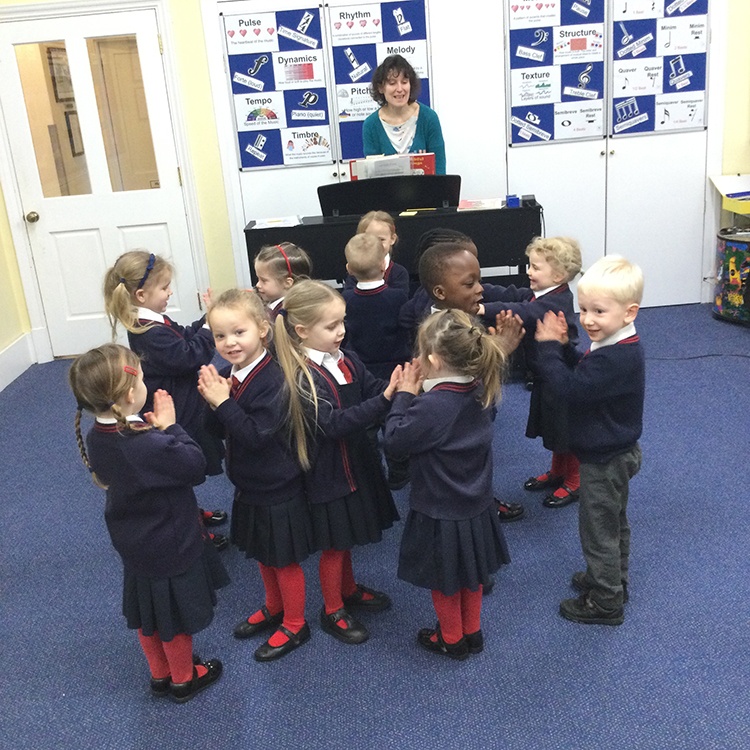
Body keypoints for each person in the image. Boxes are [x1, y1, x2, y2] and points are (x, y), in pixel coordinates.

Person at [68, 344, 227, 702]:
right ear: (129, 395)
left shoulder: (98, 435)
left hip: (134, 542)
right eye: (141, 378)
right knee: (174, 617)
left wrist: (153, 432)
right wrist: (171, 428)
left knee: (149, 613)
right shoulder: (145, 443)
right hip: (170, 541)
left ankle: (159, 674)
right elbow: (194, 465)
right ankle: (184, 678)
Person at [274, 280, 401, 645]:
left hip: (355, 461)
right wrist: (385, 400)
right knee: (334, 544)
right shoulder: (301, 376)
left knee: (347, 537)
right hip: (328, 473)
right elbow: (332, 424)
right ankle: (332, 610)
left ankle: (348, 589)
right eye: (331, 326)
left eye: (342, 321)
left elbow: (370, 386)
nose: (342, 330)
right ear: (302, 331)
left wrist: (397, 386)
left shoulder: (345, 357)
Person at [383, 310, 511, 659]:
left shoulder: (432, 406)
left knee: (444, 580)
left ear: (434, 360)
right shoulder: (480, 388)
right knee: (472, 574)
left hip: (439, 511)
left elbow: (394, 442)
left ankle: (451, 639)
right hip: (476, 505)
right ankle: (473, 632)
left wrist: (404, 395)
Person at [198, 289, 314, 661]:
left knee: (284, 559)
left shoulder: (273, 379)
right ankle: (274, 605)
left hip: (277, 485)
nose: (229, 343)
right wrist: (212, 402)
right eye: (220, 335)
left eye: (239, 332)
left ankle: (295, 623)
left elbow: (255, 436)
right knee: (264, 553)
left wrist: (223, 402)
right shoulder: (229, 374)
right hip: (249, 483)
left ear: (263, 330)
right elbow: (218, 430)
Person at [534, 255, 645, 625]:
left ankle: (606, 601)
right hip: (617, 450)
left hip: (604, 460)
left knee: (598, 531)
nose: (588, 320)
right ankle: (613, 580)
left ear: (629, 312)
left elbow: (571, 390)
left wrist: (549, 348)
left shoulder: (615, 357)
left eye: (599, 311)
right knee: (614, 522)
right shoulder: (616, 343)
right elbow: (586, 368)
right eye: (583, 310)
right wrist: (567, 348)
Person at [103, 250, 228, 549]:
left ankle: (193, 513)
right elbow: (190, 355)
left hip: (179, 401)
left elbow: (184, 334)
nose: (170, 292)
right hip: (176, 411)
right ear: (141, 295)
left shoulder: (153, 321)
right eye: (164, 287)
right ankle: (193, 528)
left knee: (182, 473)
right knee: (180, 469)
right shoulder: (149, 333)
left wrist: (208, 319)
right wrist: (210, 329)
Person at [417, 240, 526, 522]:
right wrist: (500, 349)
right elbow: (466, 374)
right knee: (461, 467)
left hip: (472, 413)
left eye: (479, 280)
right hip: (455, 418)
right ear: (440, 292)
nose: (480, 289)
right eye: (469, 284)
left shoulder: (462, 319)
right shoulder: (440, 333)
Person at [479, 237, 583, 509]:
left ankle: (575, 480)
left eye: (536, 267)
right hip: (544, 376)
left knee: (566, 429)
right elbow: (512, 294)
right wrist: (481, 288)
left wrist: (481, 308)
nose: (529, 271)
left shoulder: (555, 302)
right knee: (554, 428)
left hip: (561, 376)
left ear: (558, 276)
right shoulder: (541, 293)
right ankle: (558, 471)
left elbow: (523, 310)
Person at [362, 54, 446, 175]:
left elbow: (440, 171)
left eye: (404, 82)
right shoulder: (370, 125)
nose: (400, 89)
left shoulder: (429, 118)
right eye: (392, 83)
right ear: (380, 88)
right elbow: (371, 176)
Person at [342, 233, 410, 380]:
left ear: (349, 269)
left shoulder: (345, 300)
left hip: (359, 369)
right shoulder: (398, 297)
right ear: (383, 265)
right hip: (397, 369)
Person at [343, 211, 409, 295]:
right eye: (369, 239)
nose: (376, 244)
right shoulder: (356, 271)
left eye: (381, 239)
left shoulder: (399, 273)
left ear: (392, 239)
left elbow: (401, 298)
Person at [254, 242, 313, 319]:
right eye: (258, 279)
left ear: (287, 283)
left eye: (264, 280)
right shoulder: (270, 304)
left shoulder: (287, 314)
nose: (258, 285)